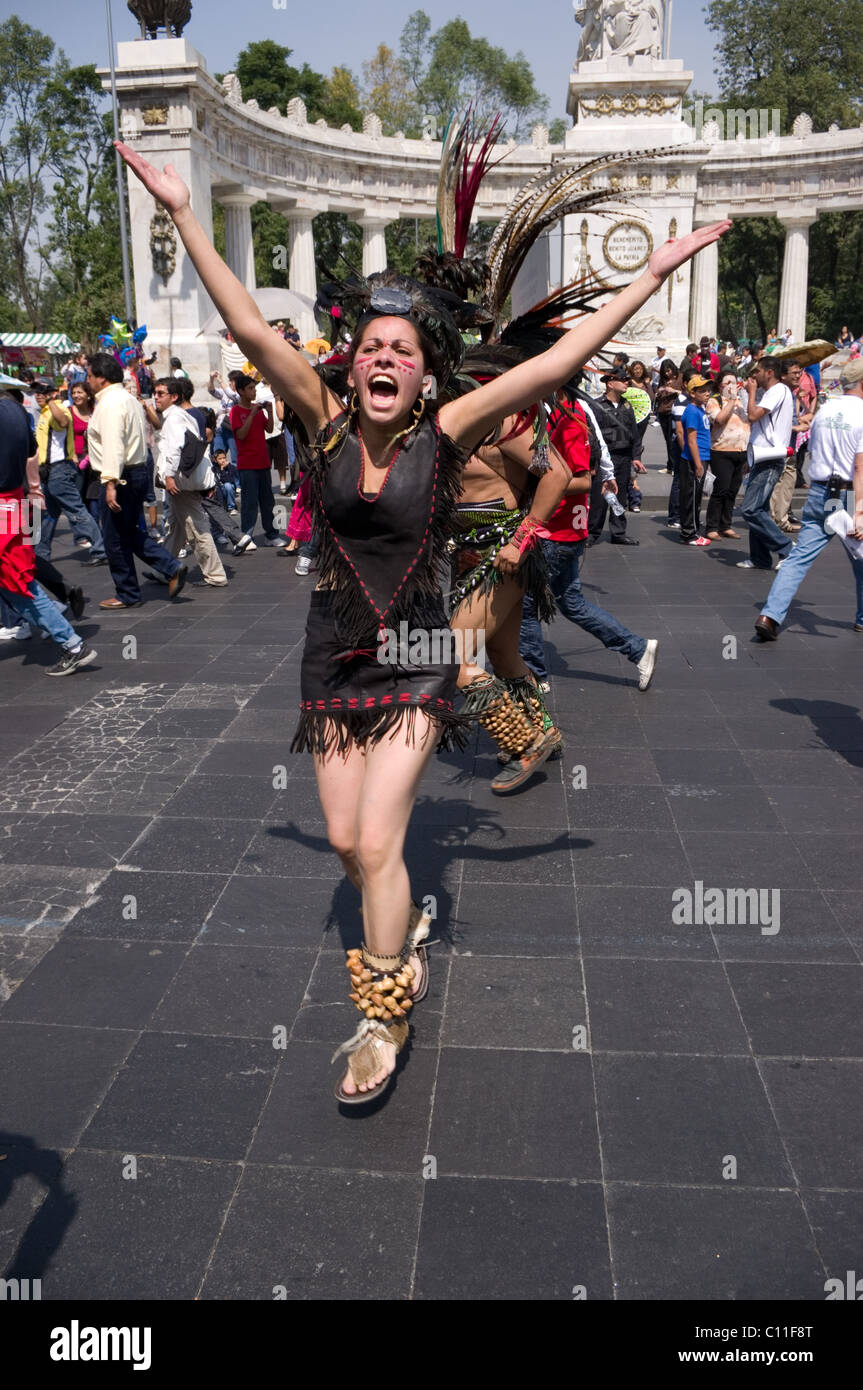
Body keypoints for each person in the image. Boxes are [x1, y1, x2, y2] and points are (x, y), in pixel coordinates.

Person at [115, 133, 728, 1104]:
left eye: (404, 347)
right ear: (351, 365)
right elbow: (246, 327)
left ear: (423, 366)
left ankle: (380, 1012)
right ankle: (405, 936)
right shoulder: (317, 417)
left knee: (369, 845)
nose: (386, 357)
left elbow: (561, 355)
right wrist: (183, 208)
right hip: (329, 658)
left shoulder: (444, 431)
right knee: (347, 838)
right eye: (372, 348)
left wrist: (648, 270)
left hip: (413, 652)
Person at [519, 383, 658, 693]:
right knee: (572, 603)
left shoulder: (568, 421)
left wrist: (535, 486)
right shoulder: (563, 415)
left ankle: (533, 675)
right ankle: (637, 648)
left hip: (557, 531)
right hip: (566, 531)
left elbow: (582, 480)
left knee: (524, 604)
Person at [754, 358, 863, 640]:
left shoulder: (826, 411)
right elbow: (860, 467)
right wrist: (860, 508)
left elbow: (814, 447)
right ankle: (862, 617)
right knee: (860, 556)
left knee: (798, 558)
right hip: (847, 493)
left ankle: (770, 615)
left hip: (819, 491)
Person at [0, 391, 96, 673]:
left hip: (7, 504)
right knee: (20, 576)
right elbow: (32, 451)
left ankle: (71, 640)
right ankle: (63, 625)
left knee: (18, 584)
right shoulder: (15, 410)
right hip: (16, 500)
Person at [85, 354, 187, 609]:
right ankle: (170, 567)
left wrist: (110, 483)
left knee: (115, 537)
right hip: (135, 472)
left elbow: (114, 444)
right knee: (127, 530)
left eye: (89, 376)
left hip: (121, 476)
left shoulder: (110, 404)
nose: (87, 381)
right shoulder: (128, 399)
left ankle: (128, 592)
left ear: (102, 378)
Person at [154, 376, 227, 587]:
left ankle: (215, 575)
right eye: (155, 393)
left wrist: (168, 475)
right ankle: (164, 570)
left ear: (174, 397)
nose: (156, 397)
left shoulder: (175, 418)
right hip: (184, 479)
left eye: (161, 394)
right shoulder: (180, 415)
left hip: (179, 480)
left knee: (196, 529)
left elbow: (175, 448)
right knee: (177, 528)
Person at [31, 380, 107, 567]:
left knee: (76, 510)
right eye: (37, 392)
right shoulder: (44, 413)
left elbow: (64, 422)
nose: (39, 394)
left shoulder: (59, 409)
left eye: (44, 391)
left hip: (60, 470)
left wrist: (51, 401)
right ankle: (40, 554)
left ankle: (101, 548)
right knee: (48, 515)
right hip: (48, 472)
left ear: (53, 393)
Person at [737, 358, 794, 570]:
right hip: (761, 455)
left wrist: (751, 392)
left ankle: (787, 548)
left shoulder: (778, 390)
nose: (754, 376)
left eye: (758, 371)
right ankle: (760, 557)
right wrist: (750, 458)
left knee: (750, 509)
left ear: (769, 372)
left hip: (771, 457)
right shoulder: (772, 392)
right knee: (758, 508)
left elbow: (753, 416)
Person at [587, 368, 645, 546]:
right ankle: (592, 533)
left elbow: (634, 434)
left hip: (623, 457)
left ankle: (618, 532)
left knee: (619, 497)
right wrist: (592, 462)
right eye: (622, 380)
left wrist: (636, 456)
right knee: (599, 497)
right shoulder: (597, 405)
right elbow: (591, 436)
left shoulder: (627, 406)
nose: (626, 382)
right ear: (610, 384)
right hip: (604, 458)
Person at [230, 373, 285, 551]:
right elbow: (241, 435)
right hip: (247, 464)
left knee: (268, 501)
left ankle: (271, 535)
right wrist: (252, 413)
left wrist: (268, 411)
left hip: (262, 462)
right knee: (249, 502)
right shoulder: (236, 411)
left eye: (254, 388)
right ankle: (247, 536)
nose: (254, 392)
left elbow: (268, 428)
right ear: (240, 391)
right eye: (250, 389)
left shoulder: (257, 408)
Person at [769, 361, 814, 533]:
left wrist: (801, 419)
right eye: (794, 372)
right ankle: (773, 520)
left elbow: (791, 417)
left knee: (788, 483)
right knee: (778, 484)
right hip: (780, 447)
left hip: (791, 446)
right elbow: (772, 423)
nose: (798, 375)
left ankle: (782, 520)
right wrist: (796, 427)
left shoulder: (791, 392)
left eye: (799, 372)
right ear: (783, 375)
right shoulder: (778, 392)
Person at [704, 368, 749, 540]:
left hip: (740, 450)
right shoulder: (715, 401)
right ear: (720, 384)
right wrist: (731, 400)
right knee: (720, 491)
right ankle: (712, 526)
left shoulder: (741, 402)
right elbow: (720, 420)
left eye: (734, 382)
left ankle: (726, 524)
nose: (731, 385)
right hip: (721, 451)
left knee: (732, 491)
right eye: (727, 382)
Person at [678, 375, 713, 546]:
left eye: (708, 390)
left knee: (697, 497)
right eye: (702, 390)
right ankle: (689, 534)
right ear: (692, 393)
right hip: (693, 460)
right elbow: (691, 440)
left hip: (702, 457)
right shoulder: (692, 411)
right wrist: (698, 464)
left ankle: (692, 529)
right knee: (691, 497)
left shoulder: (700, 409)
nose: (707, 393)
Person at [654, 358, 680, 473]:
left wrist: (673, 390)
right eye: (664, 372)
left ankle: (675, 466)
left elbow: (687, 393)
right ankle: (670, 465)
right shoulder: (663, 380)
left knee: (674, 440)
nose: (667, 373)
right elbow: (657, 396)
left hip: (674, 412)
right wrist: (659, 391)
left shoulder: (680, 377)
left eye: (668, 371)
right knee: (668, 440)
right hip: (663, 412)